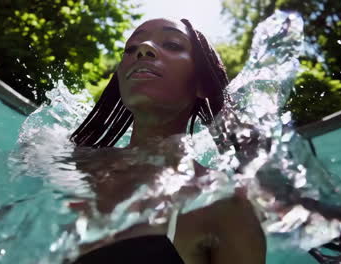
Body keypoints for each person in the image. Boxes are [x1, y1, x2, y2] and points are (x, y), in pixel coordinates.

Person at [68, 18, 267, 264]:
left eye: (172, 44)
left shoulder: (224, 201)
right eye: (130, 49)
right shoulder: (73, 167)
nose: (143, 48)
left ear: (201, 83)